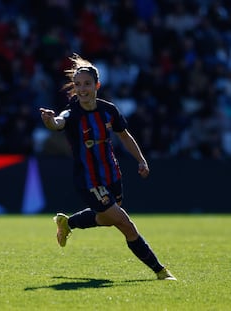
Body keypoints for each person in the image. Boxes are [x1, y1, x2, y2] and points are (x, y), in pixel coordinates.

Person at [39, 53, 176, 281]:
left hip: (112, 175)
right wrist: (50, 122)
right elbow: (58, 122)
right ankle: (160, 271)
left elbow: (124, 135)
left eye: (87, 84)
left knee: (105, 219)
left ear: (97, 85)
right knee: (125, 223)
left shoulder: (108, 110)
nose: (82, 89)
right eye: (78, 84)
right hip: (89, 181)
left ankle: (68, 222)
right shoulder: (72, 114)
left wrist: (141, 160)